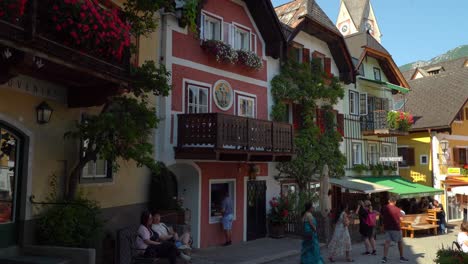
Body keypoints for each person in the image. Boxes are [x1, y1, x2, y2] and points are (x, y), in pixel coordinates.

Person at [381, 197, 409, 263]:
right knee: (400, 242)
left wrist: (382, 225)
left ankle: (384, 257)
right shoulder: (397, 209)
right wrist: (405, 222)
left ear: (389, 201)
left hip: (387, 227)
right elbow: (401, 219)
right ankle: (401, 257)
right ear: (395, 202)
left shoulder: (384, 208)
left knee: (387, 242)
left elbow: (382, 216)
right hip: (396, 228)